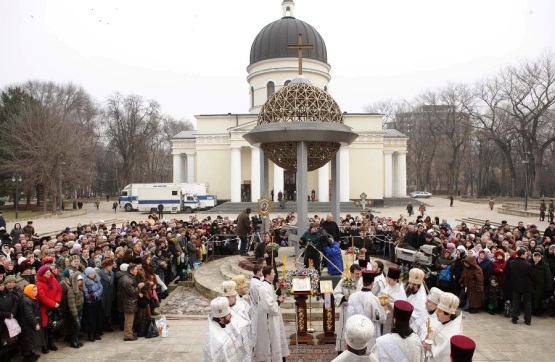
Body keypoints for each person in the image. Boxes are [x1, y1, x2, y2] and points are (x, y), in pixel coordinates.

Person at [254, 266, 289, 361]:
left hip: (273, 318)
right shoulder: (263, 288)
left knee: (277, 338)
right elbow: (270, 306)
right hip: (268, 319)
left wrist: (278, 300)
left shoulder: (269, 285)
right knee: (272, 340)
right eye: (273, 272)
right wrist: (278, 302)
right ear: (268, 274)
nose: (275, 274)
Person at [347, 270, 386, 348]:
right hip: (369, 333)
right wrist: (384, 309)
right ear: (372, 283)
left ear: (362, 281)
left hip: (355, 331)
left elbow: (349, 315)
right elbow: (380, 318)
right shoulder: (374, 299)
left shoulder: (353, 296)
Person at [423, 293, 463, 362]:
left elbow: (444, 354)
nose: (436, 313)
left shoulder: (451, 335)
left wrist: (431, 348)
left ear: (448, 314)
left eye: (439, 311)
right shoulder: (444, 321)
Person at [203, 297, 244, 361]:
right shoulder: (220, 341)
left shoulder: (220, 324)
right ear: (221, 318)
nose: (231, 316)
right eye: (228, 315)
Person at [334, 264, 363, 354]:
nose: (359, 276)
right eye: (357, 274)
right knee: (345, 329)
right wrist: (344, 297)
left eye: (360, 273)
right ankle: (342, 350)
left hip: (358, 311)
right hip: (346, 310)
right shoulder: (344, 281)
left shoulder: (363, 282)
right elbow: (336, 293)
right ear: (351, 273)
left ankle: (356, 349)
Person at [221, 279, 252, 361]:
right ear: (226, 298)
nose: (236, 298)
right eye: (233, 296)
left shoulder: (235, 306)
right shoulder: (223, 313)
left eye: (235, 296)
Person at [35, 264, 62, 354]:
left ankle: (51, 343)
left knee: (51, 328)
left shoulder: (53, 279)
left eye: (49, 272)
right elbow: (42, 298)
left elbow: (59, 290)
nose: (49, 274)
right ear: (42, 274)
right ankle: (44, 345)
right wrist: (53, 304)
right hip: (45, 309)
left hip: (54, 306)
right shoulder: (39, 284)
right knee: (45, 328)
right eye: (46, 273)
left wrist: (57, 301)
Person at [505, 249, 533, 325]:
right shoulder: (528, 265)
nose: (527, 255)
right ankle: (528, 320)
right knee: (527, 303)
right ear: (522, 255)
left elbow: (507, 272)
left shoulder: (511, 263)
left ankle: (514, 318)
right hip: (526, 286)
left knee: (516, 302)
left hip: (515, 285)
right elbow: (531, 276)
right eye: (526, 254)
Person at [117, 263, 145, 341]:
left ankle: (129, 333)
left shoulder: (130, 277)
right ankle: (127, 335)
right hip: (128, 302)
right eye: (135, 269)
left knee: (130, 319)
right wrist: (138, 287)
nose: (137, 271)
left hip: (130, 301)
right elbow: (131, 291)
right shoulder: (127, 279)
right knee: (129, 320)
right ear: (131, 270)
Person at [381, 266, 407, 335]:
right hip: (385, 313)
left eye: (390, 279)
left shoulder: (400, 291)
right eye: (387, 278)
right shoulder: (389, 285)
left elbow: (401, 305)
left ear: (395, 280)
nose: (388, 281)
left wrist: (389, 303)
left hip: (393, 315)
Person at [20, 284, 43, 361]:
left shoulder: (30, 298)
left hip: (29, 323)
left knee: (31, 339)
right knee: (28, 339)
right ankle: (27, 357)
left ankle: (30, 353)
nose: (36, 292)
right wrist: (35, 323)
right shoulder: (26, 301)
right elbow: (29, 314)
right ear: (29, 291)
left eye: (36, 290)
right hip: (27, 324)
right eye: (34, 290)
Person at [405, 268, 427, 336]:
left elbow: (419, 317)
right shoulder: (412, 292)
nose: (409, 285)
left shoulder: (421, 299)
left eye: (410, 284)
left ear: (416, 285)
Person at [248, 264, 263, 340]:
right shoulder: (256, 284)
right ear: (258, 272)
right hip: (256, 308)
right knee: (256, 327)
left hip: (255, 306)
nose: (262, 272)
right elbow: (258, 299)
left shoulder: (254, 281)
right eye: (261, 270)